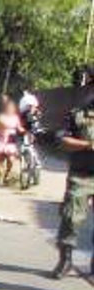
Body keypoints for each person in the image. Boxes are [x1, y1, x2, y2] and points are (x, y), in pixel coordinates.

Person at [50, 98, 94, 279]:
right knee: (71, 217)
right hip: (81, 174)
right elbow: (61, 140)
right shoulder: (78, 113)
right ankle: (65, 260)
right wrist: (89, 144)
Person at [0, 96, 22, 186]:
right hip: (1, 140)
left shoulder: (15, 118)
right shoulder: (1, 116)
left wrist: (25, 131)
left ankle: (7, 175)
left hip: (10, 141)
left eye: (12, 107)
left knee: (11, 160)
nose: (10, 109)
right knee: (0, 160)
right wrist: (12, 127)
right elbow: (1, 125)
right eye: (9, 107)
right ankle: (0, 178)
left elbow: (19, 127)